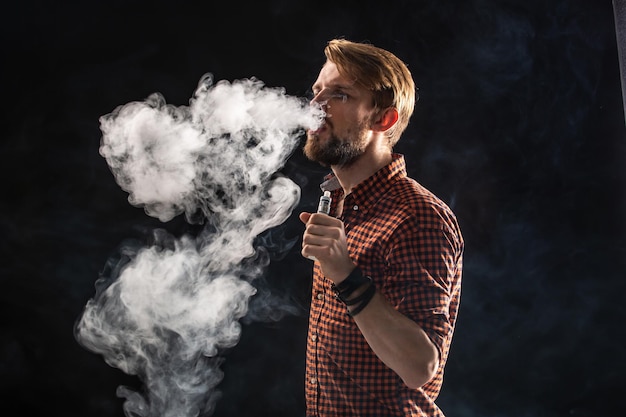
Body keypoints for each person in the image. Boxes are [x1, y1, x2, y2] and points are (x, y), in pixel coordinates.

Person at [299, 38, 464, 416]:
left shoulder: (418, 216)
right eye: (316, 92)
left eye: (338, 95)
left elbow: (418, 367)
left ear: (383, 119)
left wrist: (345, 274)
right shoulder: (339, 204)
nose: (314, 106)